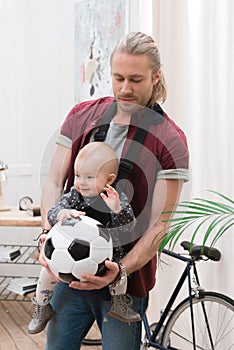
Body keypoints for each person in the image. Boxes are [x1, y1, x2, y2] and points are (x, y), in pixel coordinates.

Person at [39, 31, 190, 350]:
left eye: (136, 79)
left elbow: (161, 224)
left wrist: (120, 270)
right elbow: (54, 182)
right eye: (118, 77)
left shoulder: (171, 141)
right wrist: (49, 231)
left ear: (156, 76)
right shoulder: (81, 115)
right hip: (69, 277)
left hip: (126, 286)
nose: (125, 88)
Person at [28, 142, 141, 334]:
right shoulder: (74, 196)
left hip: (106, 254)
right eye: (78, 175)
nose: (80, 182)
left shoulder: (115, 198)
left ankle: (119, 301)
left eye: (89, 177)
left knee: (120, 272)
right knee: (47, 269)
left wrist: (117, 210)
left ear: (109, 179)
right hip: (68, 253)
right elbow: (53, 212)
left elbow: (129, 226)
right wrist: (62, 212)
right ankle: (42, 305)